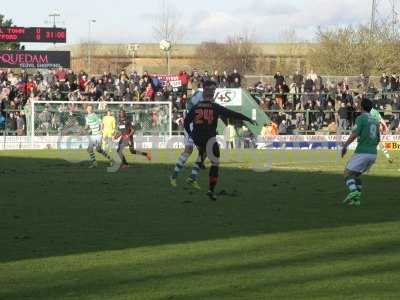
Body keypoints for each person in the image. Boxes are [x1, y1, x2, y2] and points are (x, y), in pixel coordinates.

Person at [184, 80, 256, 200]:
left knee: (204, 151)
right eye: (212, 90)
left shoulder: (196, 107)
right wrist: (247, 118)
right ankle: (211, 190)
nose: (213, 92)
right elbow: (232, 113)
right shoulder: (215, 107)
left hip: (197, 138)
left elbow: (186, 122)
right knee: (215, 163)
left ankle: (196, 170)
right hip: (210, 139)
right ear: (211, 92)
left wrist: (191, 135)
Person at [341, 98, 380, 206]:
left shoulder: (361, 118)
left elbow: (354, 134)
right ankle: (356, 200)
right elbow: (378, 139)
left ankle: (354, 193)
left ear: (361, 107)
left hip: (362, 152)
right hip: (373, 153)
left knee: (347, 174)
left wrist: (345, 146)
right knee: (356, 176)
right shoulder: (375, 120)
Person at [170, 90, 205, 190]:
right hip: (192, 125)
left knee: (201, 151)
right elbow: (189, 107)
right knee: (191, 151)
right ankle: (175, 176)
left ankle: (190, 177)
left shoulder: (206, 97)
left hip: (196, 125)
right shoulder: (199, 94)